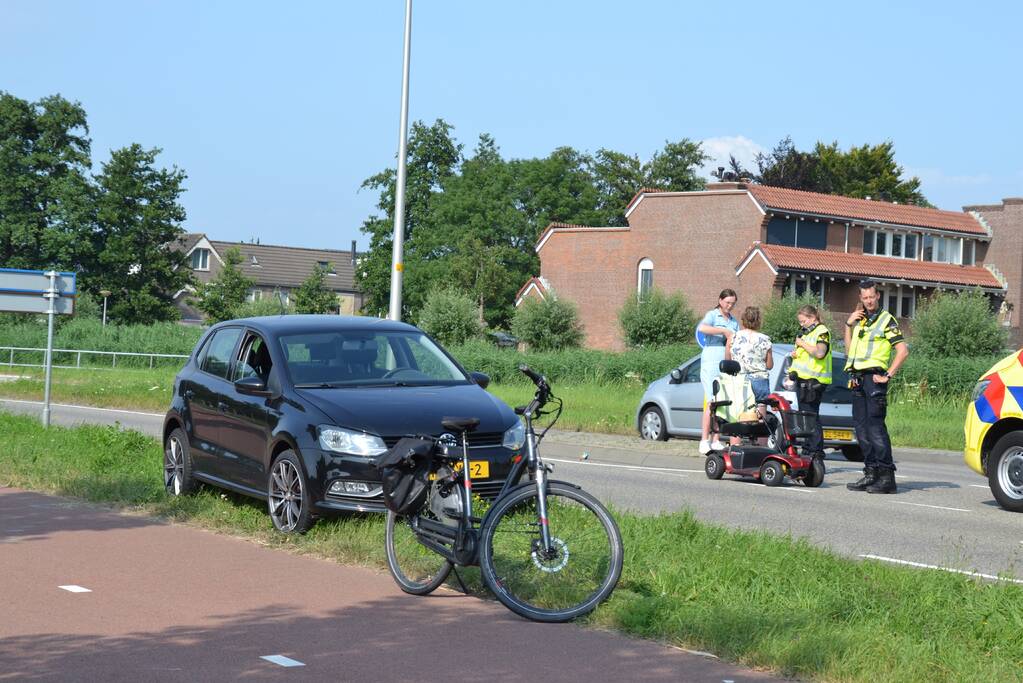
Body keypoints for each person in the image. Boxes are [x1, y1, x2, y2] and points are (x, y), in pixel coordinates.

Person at [843, 280, 909, 494]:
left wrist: (888, 375)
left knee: (875, 428)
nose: (869, 301)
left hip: (874, 378)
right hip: (857, 379)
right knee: (861, 430)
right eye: (865, 298)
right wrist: (848, 325)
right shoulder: (861, 321)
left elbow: (902, 350)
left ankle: (887, 477)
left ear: (877, 296)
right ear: (860, 298)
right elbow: (849, 350)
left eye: (872, 297)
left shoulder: (885, 319)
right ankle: (870, 474)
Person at [697, 289, 739, 454]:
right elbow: (702, 328)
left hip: (725, 362)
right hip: (711, 360)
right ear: (720, 301)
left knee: (721, 402)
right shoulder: (713, 315)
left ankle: (716, 439)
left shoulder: (734, 321)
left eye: (733, 303)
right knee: (711, 400)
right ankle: (704, 439)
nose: (730, 306)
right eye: (727, 302)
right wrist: (722, 331)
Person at [788, 304, 831, 463]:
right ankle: (808, 449)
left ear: (813, 318)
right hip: (803, 380)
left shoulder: (822, 332)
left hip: (814, 381)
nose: (801, 324)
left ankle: (815, 452)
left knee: (811, 417)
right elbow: (806, 355)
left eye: (803, 321)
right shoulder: (808, 333)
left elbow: (819, 353)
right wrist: (796, 353)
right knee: (806, 417)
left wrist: (801, 345)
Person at [727, 305, 773, 404]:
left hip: (739, 380)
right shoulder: (765, 339)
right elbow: (769, 365)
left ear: (743, 320)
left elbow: (727, 361)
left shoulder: (733, 337)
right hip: (759, 380)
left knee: (740, 410)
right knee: (761, 410)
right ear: (759, 321)